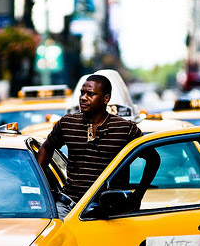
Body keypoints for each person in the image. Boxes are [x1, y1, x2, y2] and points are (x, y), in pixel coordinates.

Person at [37, 74, 158, 205]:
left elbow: (154, 159)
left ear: (106, 99)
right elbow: (47, 148)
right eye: (82, 93)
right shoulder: (67, 123)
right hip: (70, 205)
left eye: (90, 94)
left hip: (110, 209)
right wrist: (41, 185)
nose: (83, 98)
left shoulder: (125, 128)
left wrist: (138, 194)